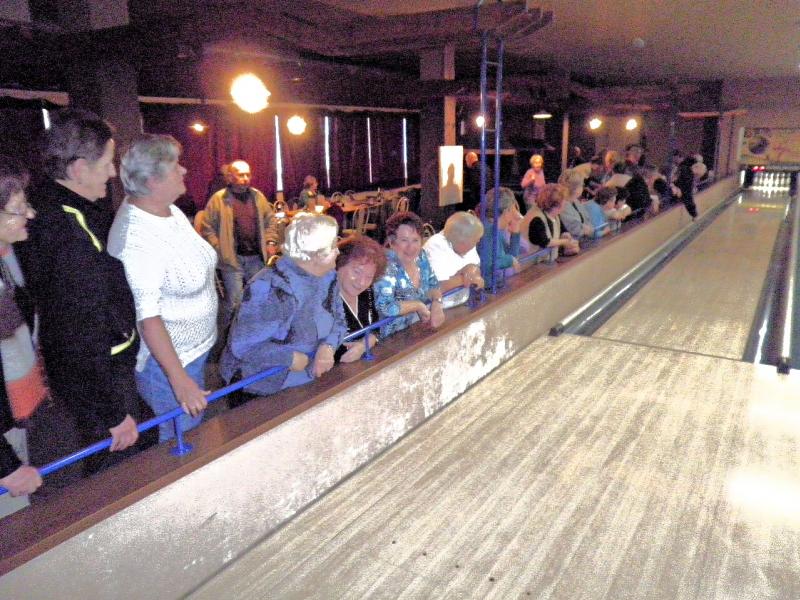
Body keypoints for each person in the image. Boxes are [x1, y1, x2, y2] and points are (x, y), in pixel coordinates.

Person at [15, 109, 151, 475]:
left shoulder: (62, 210)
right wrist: (113, 412)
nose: (112, 173)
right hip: (99, 376)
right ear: (78, 169)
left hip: (92, 370)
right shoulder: (65, 229)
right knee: (121, 470)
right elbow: (78, 328)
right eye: (106, 164)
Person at [109, 135, 218, 442]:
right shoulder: (137, 238)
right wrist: (179, 380)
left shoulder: (168, 210)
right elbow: (148, 318)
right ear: (153, 181)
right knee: (180, 445)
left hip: (193, 353)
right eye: (175, 167)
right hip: (168, 366)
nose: (184, 171)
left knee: (193, 435)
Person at [221, 214, 346, 398]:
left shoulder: (328, 276)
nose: (338, 251)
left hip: (306, 379)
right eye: (333, 246)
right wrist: (289, 357)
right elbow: (243, 347)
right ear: (317, 255)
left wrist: (328, 346)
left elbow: (339, 320)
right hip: (259, 387)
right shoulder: (270, 288)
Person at [0, 156, 42, 498]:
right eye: (18, 209)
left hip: (10, 413)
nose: (30, 214)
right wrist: (6, 466)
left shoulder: (7, 258)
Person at [202, 159, 278, 329]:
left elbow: (270, 220)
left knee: (259, 297)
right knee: (235, 303)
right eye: (241, 175)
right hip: (232, 260)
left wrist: (270, 241)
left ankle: (256, 331)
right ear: (230, 177)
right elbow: (207, 228)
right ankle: (231, 335)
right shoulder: (218, 199)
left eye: (248, 174)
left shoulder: (257, 196)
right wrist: (220, 249)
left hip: (256, 258)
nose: (245, 178)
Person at [374, 211, 444, 337]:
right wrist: (417, 306)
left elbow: (433, 284)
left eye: (415, 240)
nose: (410, 247)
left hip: (418, 328)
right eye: (404, 240)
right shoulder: (385, 265)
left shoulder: (421, 256)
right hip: (390, 338)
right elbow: (385, 307)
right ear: (391, 242)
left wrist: (437, 302)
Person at [335, 235, 387, 363]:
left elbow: (375, 328)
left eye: (369, 277)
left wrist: (364, 345)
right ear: (339, 264)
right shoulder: (324, 298)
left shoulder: (367, 291)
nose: (361, 282)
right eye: (356, 272)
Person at [423, 212, 484, 308]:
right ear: (463, 241)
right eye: (476, 240)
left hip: (462, 304)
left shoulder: (468, 244)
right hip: (437, 310)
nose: (478, 242)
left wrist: (473, 270)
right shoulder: (435, 246)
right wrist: (465, 278)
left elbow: (475, 268)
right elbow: (433, 290)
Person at [476, 187, 522, 287]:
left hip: (495, 285)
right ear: (507, 210)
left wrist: (515, 234)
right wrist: (510, 260)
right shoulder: (488, 230)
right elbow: (486, 265)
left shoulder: (496, 229)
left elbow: (512, 256)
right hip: (485, 289)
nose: (515, 214)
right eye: (513, 209)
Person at [526, 183, 580, 260]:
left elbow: (563, 230)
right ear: (556, 204)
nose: (565, 204)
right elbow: (545, 242)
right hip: (531, 264)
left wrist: (566, 236)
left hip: (547, 261)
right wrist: (565, 242)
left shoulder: (554, 215)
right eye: (564, 201)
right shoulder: (537, 219)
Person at [558, 168, 593, 239]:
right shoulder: (562, 205)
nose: (583, 187)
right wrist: (585, 230)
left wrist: (589, 229)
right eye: (582, 185)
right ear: (576, 189)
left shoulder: (576, 202)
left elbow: (588, 220)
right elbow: (573, 228)